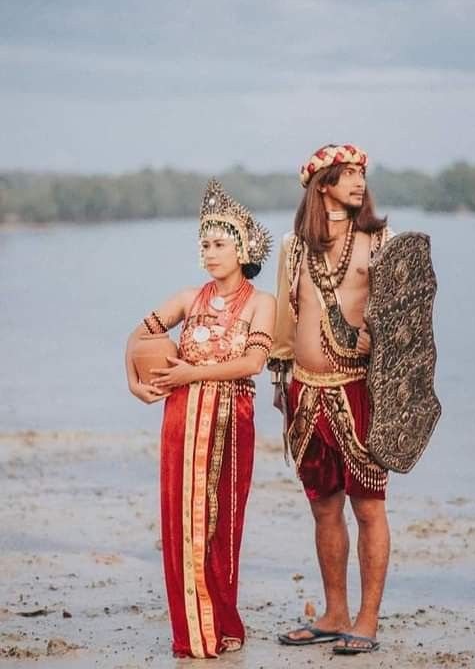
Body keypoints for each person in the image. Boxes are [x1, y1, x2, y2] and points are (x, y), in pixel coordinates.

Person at [125, 178, 276, 659]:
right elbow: (136, 336)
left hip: (231, 419)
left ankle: (223, 621)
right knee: (182, 523)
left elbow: (253, 364)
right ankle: (193, 633)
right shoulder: (187, 298)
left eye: (220, 243)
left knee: (222, 522)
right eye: (205, 244)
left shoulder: (260, 303)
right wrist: (134, 379)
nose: (210, 253)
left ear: (243, 247)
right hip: (181, 418)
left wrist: (195, 370)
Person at [268, 144, 395, 655]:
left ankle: (366, 619)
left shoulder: (382, 241)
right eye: (347, 175)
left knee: (368, 508)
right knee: (323, 509)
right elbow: (283, 320)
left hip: (359, 392)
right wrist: (279, 380)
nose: (359, 182)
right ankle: (334, 612)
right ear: (323, 185)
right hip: (304, 394)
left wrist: (378, 338)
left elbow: (407, 323)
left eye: (362, 174)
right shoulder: (293, 248)